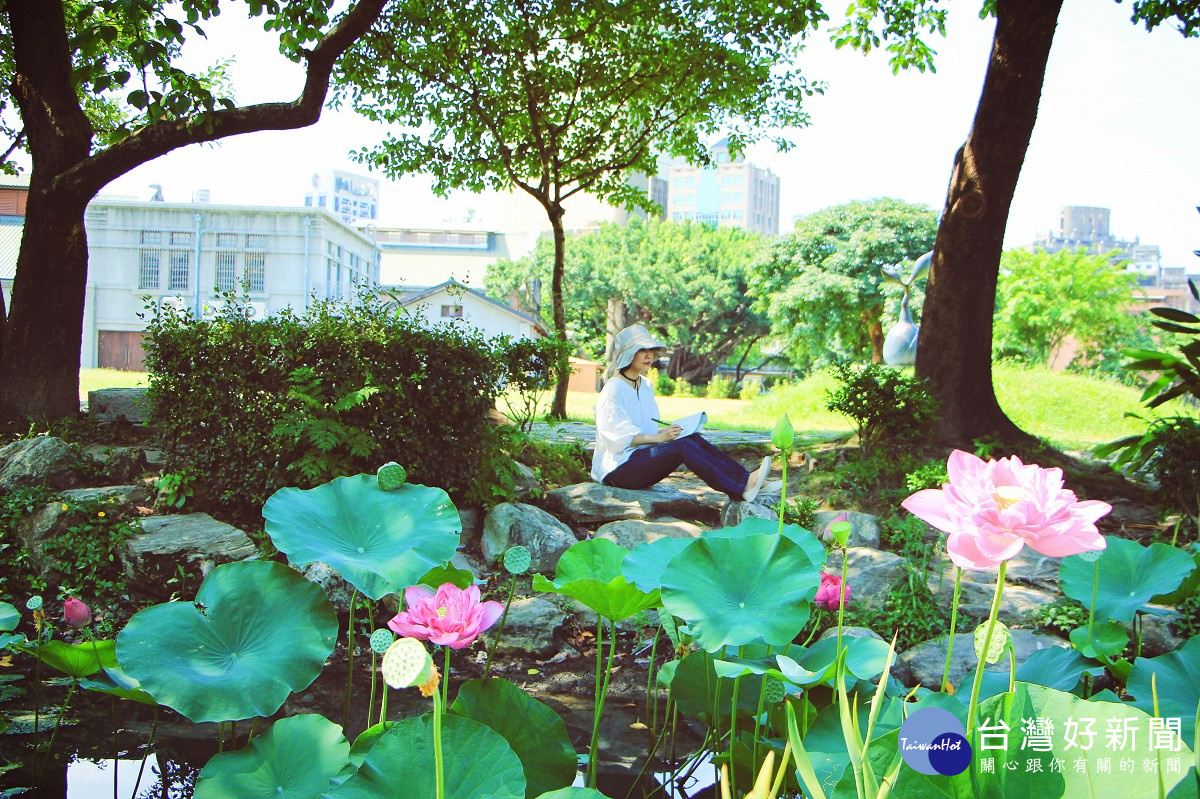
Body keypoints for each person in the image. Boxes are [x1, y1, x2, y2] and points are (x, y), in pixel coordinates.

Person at [591, 324, 780, 501]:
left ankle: (746, 481)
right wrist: (661, 438)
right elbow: (617, 439)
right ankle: (742, 486)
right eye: (641, 350)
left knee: (691, 438)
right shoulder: (613, 388)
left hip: (640, 459)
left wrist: (669, 433)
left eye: (650, 350)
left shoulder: (645, 385)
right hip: (617, 469)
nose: (648, 355)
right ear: (629, 354)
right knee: (682, 448)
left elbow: (642, 429)